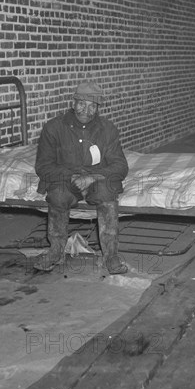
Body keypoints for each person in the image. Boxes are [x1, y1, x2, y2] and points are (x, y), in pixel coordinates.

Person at [34, 80, 129, 274]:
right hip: (66, 178)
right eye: (82, 104)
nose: (87, 110)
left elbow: (120, 166)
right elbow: (43, 166)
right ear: (73, 103)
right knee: (58, 195)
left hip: (96, 178)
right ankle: (56, 251)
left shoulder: (107, 129)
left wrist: (93, 177)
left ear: (97, 108)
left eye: (92, 105)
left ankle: (111, 255)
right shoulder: (54, 128)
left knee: (107, 193)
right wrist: (71, 175)